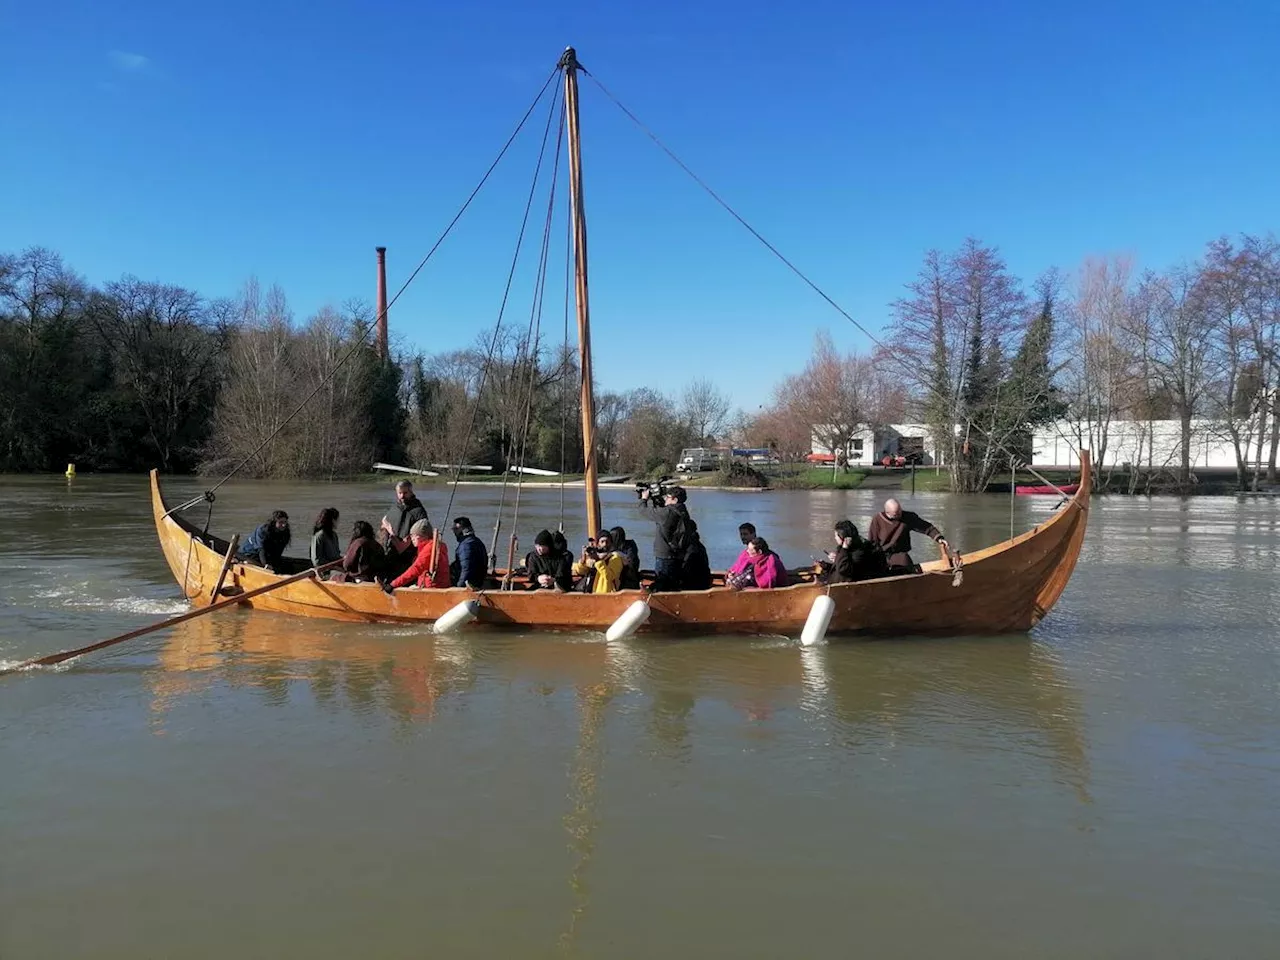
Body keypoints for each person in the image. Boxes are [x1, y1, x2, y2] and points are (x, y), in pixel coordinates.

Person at [866, 498, 949, 574]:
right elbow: (872, 542)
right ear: (887, 512)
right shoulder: (877, 519)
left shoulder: (907, 517)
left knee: (906, 569)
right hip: (882, 554)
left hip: (900, 554)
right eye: (896, 514)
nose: (899, 516)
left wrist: (939, 538)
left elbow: (925, 527)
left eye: (900, 512)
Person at [640, 484, 692, 591]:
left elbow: (643, 511)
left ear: (675, 499)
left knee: (661, 588)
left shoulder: (668, 513)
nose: (665, 499)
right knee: (672, 586)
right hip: (677, 554)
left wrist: (644, 499)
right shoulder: (682, 511)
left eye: (667, 497)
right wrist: (656, 500)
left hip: (664, 556)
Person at [379, 480, 429, 580]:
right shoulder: (395, 507)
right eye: (399, 493)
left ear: (411, 492)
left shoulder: (418, 510)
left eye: (405, 493)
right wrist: (388, 529)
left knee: (404, 579)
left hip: (409, 553)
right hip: (391, 550)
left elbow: (423, 530)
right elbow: (385, 521)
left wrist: (406, 544)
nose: (402, 496)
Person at [386, 519, 450, 591]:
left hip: (432, 589)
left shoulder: (430, 548)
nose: (411, 538)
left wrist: (393, 584)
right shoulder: (438, 545)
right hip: (437, 586)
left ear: (422, 536)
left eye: (413, 535)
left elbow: (416, 569)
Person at [822, 519, 886, 583]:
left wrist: (844, 549)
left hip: (843, 589)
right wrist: (826, 566)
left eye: (836, 536)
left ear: (843, 537)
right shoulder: (846, 550)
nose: (835, 538)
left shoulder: (858, 553)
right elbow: (839, 567)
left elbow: (843, 569)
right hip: (836, 584)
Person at [449, 516, 489, 590]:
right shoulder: (477, 541)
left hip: (471, 585)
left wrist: (459, 586)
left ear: (460, 530)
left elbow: (466, 568)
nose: (454, 532)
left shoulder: (465, 545)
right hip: (479, 581)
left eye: (455, 529)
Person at [680, 519, 712, 590]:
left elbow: (685, 569)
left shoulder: (692, 548)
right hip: (703, 582)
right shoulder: (699, 545)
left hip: (695, 585)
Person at [609, 525, 642, 589]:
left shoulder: (630, 546)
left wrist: (618, 554)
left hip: (627, 580)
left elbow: (632, 563)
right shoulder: (610, 548)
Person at [310, 507, 342, 571]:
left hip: (336, 567)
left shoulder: (334, 535)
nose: (338, 522)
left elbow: (336, 556)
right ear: (332, 520)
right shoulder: (319, 536)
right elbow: (316, 561)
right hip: (324, 571)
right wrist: (334, 567)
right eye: (337, 519)